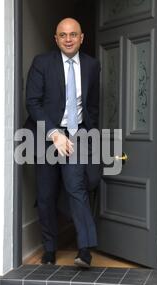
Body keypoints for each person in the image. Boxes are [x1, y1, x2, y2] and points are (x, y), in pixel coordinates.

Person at [24, 18, 101, 268]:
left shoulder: (91, 65)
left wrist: (88, 134)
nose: (68, 39)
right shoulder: (42, 63)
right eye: (63, 35)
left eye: (73, 34)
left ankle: (84, 250)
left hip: (77, 134)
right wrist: (55, 134)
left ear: (82, 38)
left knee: (77, 188)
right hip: (46, 137)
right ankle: (49, 249)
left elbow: (92, 106)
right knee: (46, 195)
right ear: (55, 39)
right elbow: (33, 102)